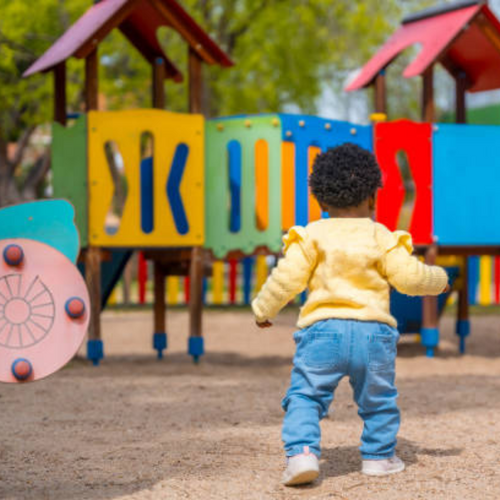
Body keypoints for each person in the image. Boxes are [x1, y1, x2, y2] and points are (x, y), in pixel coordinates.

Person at [251, 143, 449, 486]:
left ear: (320, 200)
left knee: (306, 395)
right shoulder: (381, 235)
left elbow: (286, 279)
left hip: (322, 333)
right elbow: (408, 278)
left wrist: (263, 310)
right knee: (378, 399)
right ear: (372, 197)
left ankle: (302, 453)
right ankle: (379, 457)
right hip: (373, 334)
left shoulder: (311, 235)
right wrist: (440, 280)